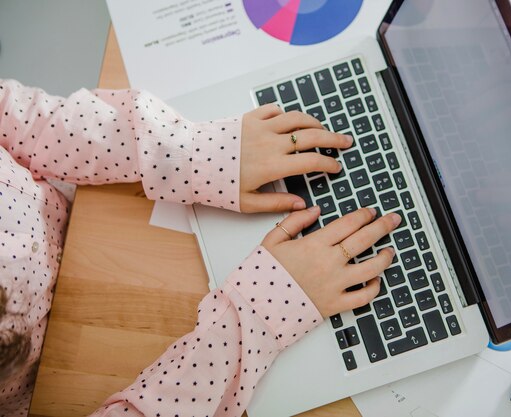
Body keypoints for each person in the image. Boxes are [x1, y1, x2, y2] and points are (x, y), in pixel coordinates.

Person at [0, 79, 400, 416]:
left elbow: (22, 119)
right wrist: (263, 309)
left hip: (87, 225)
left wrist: (187, 153)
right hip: (68, 369)